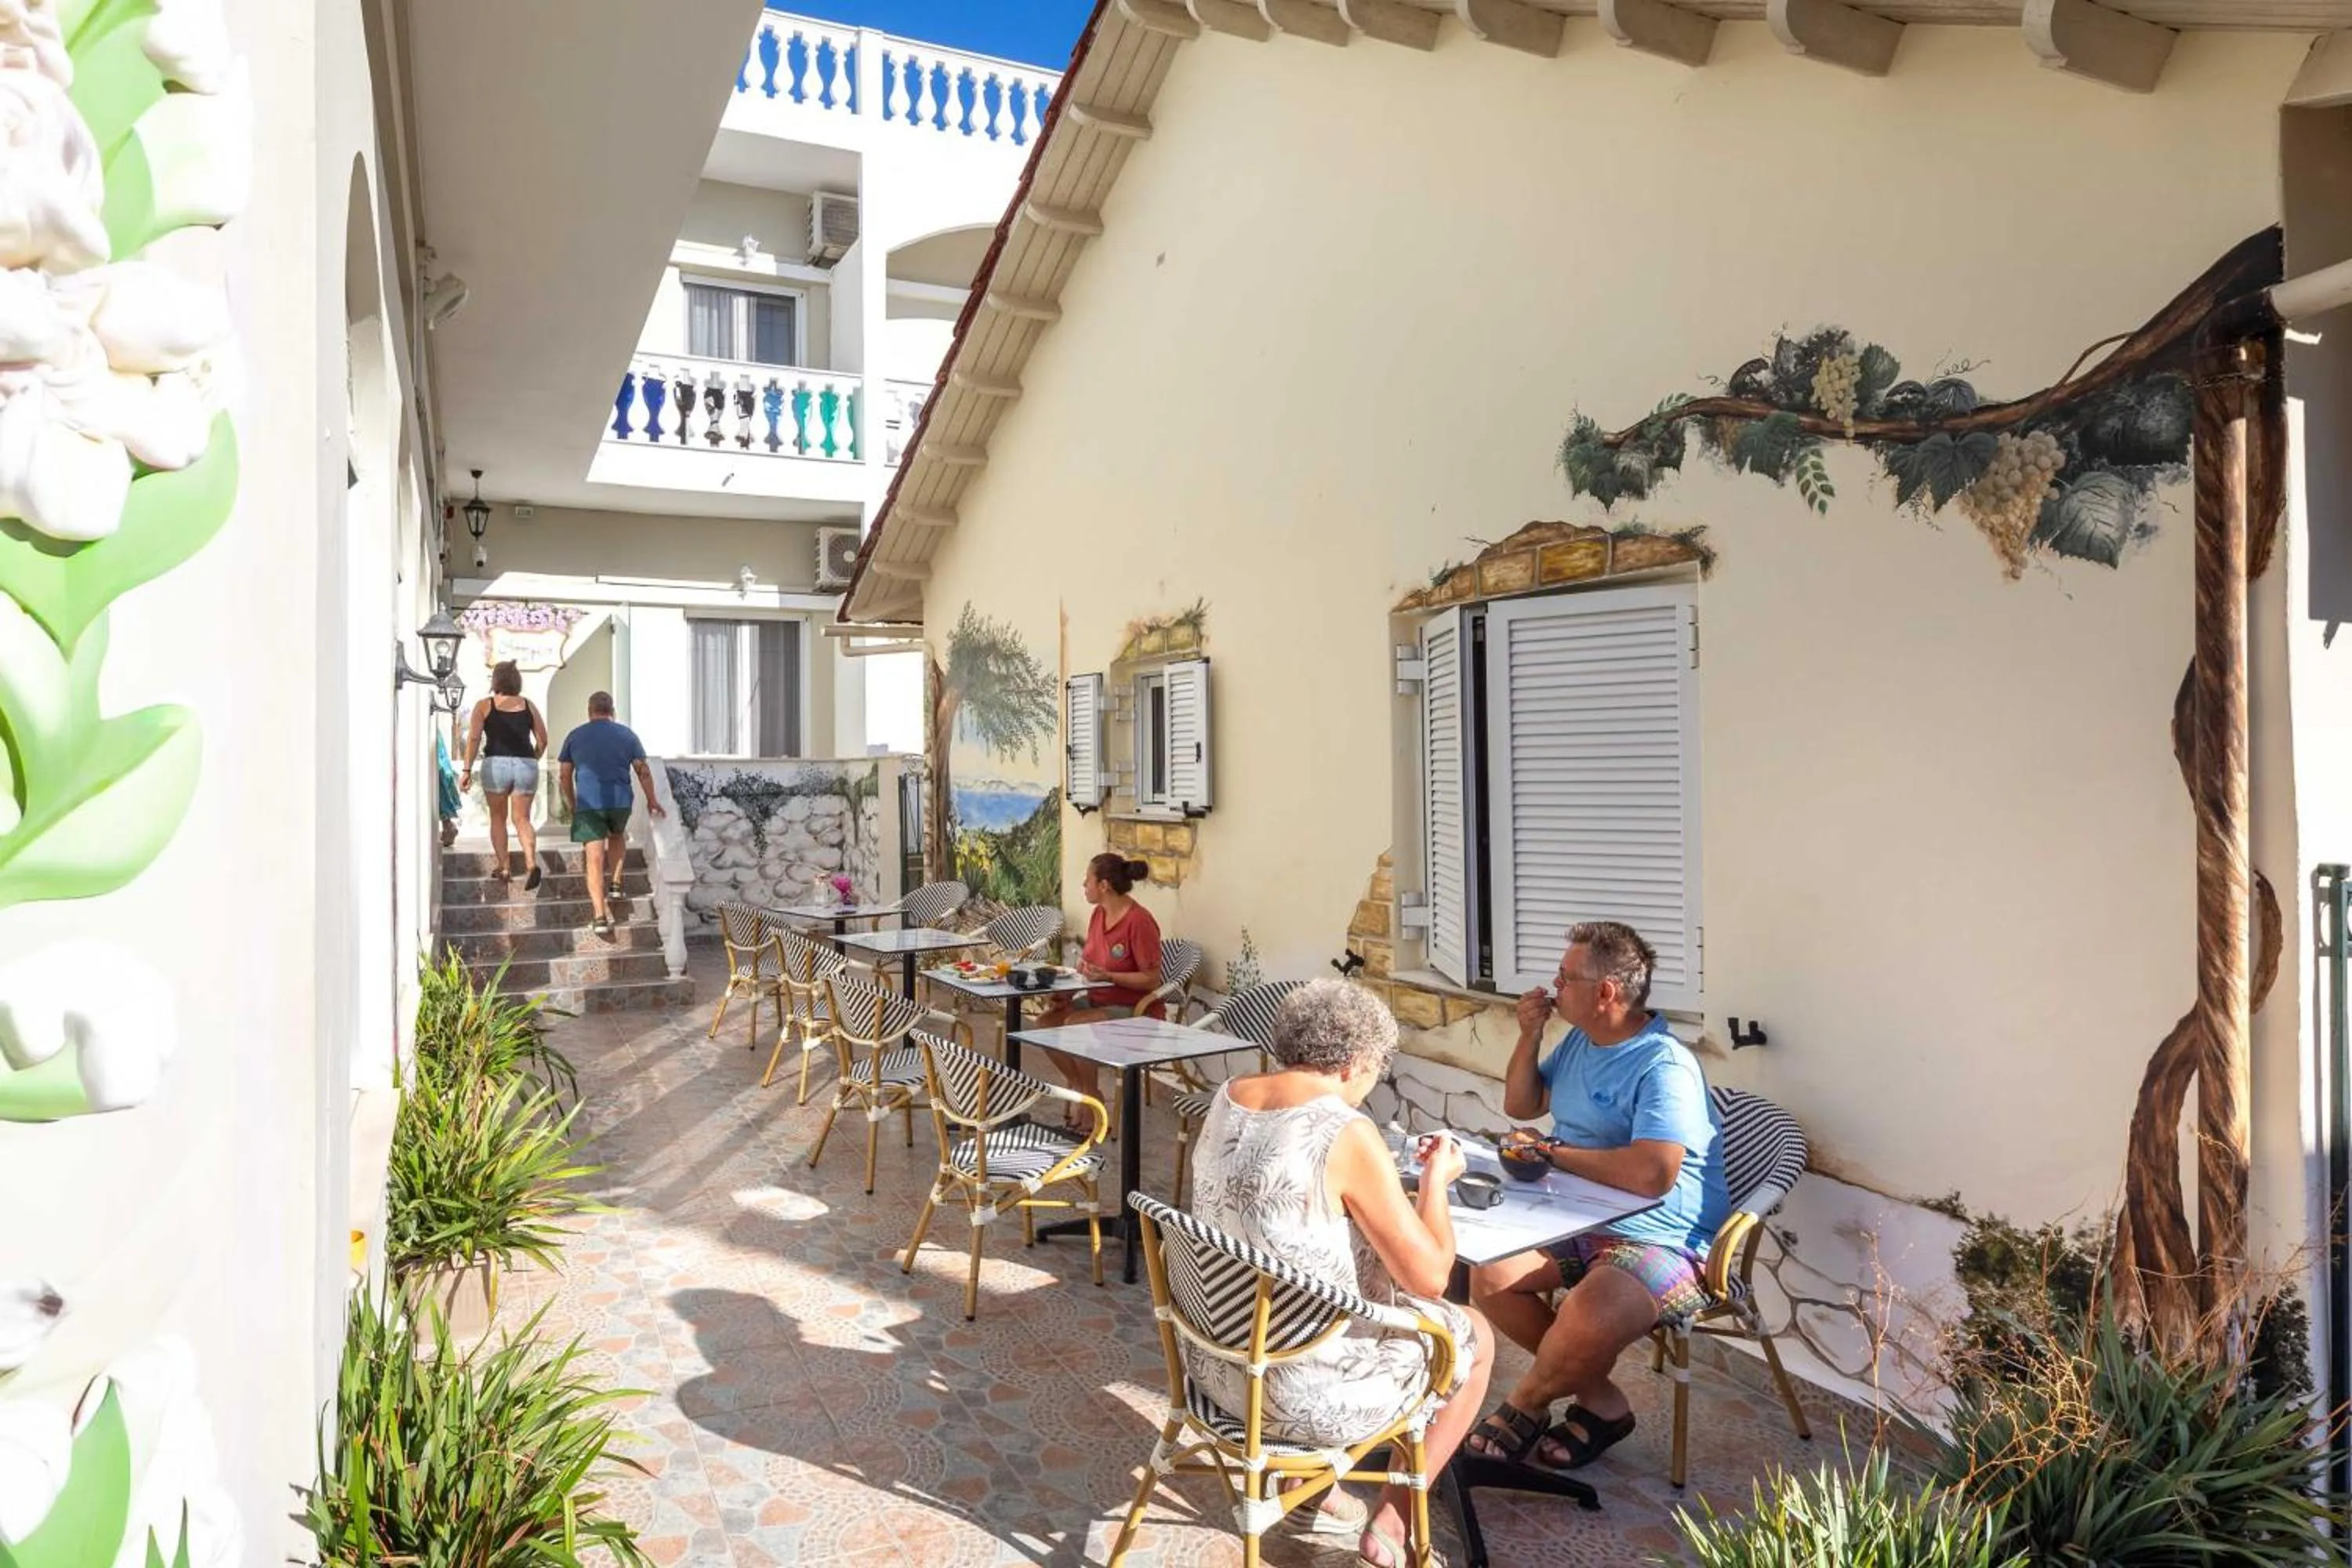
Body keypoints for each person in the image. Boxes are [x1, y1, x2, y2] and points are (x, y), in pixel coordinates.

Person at [1187, 980, 1495, 1568]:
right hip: (1294, 1394)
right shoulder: (1344, 1130)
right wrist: (1436, 1184)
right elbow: (1429, 1276)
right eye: (1374, 1071)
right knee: (1474, 1336)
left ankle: (1313, 1493)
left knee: (1322, 1298)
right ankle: (1394, 1522)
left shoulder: (1230, 1096)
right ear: (1355, 1061)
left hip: (1214, 1368)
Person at [1464, 920, 1729, 1474]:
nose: (1553, 986)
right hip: (1580, 1216)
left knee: (1586, 1311)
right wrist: (1528, 1035)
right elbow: (1521, 1107)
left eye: (1565, 977)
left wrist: (1554, 1153)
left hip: (1661, 1235)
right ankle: (1602, 1401)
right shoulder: (1584, 1040)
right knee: (1490, 1277)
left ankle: (1525, 1406)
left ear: (1604, 992)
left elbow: (1653, 1175)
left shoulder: (1664, 1065)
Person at [1036, 852, 1163, 1124]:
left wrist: (1110, 975)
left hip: (1136, 1011)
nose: (1084, 886)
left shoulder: (1139, 922)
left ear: (1104, 885)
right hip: (1098, 1002)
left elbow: (1152, 980)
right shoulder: (1098, 915)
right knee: (1046, 1023)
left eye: (1087, 881)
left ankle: (1091, 1099)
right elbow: (1088, 965)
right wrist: (1067, 993)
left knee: (1075, 1024)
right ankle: (1081, 1086)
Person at [555, 691, 663, 938]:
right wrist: (652, 800)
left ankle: (600, 916)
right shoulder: (627, 735)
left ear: (589, 711)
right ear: (612, 711)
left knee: (593, 860)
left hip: (589, 804)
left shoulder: (575, 736)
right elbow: (642, 771)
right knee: (617, 836)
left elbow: (564, 774)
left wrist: (572, 803)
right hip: (620, 802)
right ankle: (615, 883)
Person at [459, 661, 548, 888]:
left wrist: (467, 769)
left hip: (495, 763)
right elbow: (543, 739)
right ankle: (530, 863)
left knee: (498, 818)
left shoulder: (484, 706)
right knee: (522, 819)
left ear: (495, 680)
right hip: (526, 763)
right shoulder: (528, 705)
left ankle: (505, 867)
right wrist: (532, 759)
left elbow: (474, 739)